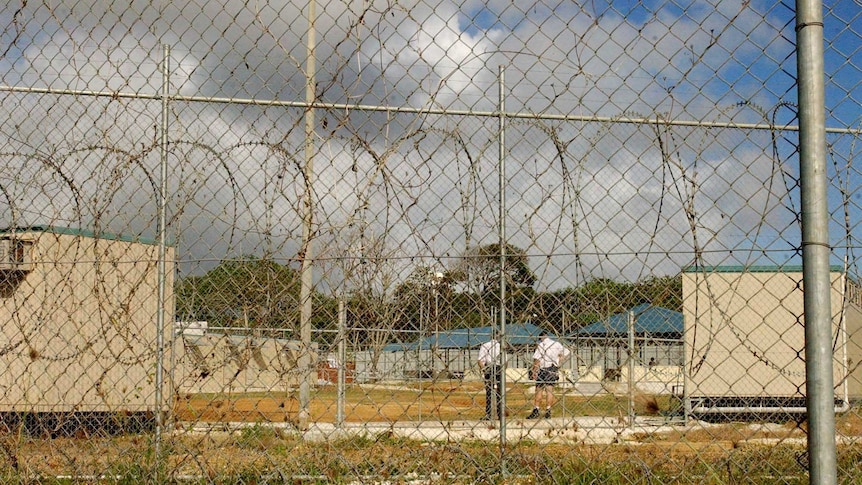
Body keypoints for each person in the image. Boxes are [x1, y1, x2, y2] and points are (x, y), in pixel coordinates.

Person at [527, 333, 571, 419]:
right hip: (552, 368)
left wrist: (534, 370)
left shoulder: (541, 345)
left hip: (543, 369)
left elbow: (537, 359)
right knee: (549, 390)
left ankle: (536, 409)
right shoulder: (556, 344)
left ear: (541, 338)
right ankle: (548, 410)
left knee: (539, 389)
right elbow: (566, 352)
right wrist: (558, 360)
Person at [477, 335, 502, 420]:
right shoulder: (501, 346)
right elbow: (505, 362)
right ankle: (500, 414)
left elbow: (480, 360)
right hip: (499, 368)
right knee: (499, 392)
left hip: (489, 368)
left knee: (489, 391)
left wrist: (484, 370)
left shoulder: (485, 345)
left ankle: (489, 414)